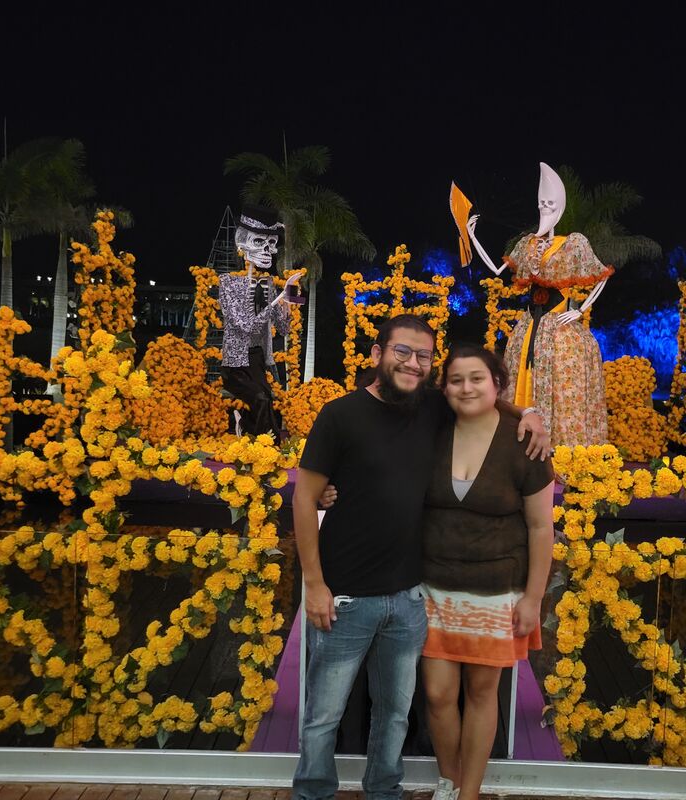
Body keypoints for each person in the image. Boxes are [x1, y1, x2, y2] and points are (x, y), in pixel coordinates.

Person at [291, 314, 549, 800]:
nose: (412, 363)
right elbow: (304, 499)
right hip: (349, 595)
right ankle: (313, 792)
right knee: (325, 714)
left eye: (423, 356)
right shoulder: (340, 415)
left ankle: (388, 791)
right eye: (402, 351)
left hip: (411, 597)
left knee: (395, 714)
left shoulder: (430, 407)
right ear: (377, 354)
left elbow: (483, 396)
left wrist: (531, 413)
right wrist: (315, 583)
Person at [419, 344, 554, 800]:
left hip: (497, 592)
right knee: (437, 694)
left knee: (481, 693)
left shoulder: (525, 443)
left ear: (497, 383)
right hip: (433, 590)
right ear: (444, 389)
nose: (466, 388)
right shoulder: (432, 428)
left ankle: (469, 793)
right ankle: (449, 781)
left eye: (477, 378)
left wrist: (533, 598)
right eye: (455, 380)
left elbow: (540, 528)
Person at [464, 163, 612, 448]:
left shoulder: (573, 243)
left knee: (563, 381)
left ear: (560, 207)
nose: (545, 208)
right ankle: (516, 441)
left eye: (550, 203)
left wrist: (579, 310)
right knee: (519, 376)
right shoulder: (527, 244)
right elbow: (496, 269)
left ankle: (560, 447)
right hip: (529, 327)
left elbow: (601, 277)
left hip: (559, 328)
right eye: (541, 203)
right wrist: (473, 238)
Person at [219, 204, 301, 436]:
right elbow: (245, 326)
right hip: (235, 365)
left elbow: (283, 329)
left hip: (256, 359)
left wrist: (287, 302)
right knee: (261, 399)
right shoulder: (228, 282)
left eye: (271, 243)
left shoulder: (267, 284)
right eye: (258, 242)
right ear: (242, 243)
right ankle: (253, 434)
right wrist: (275, 301)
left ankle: (262, 440)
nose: (267, 250)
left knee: (268, 401)